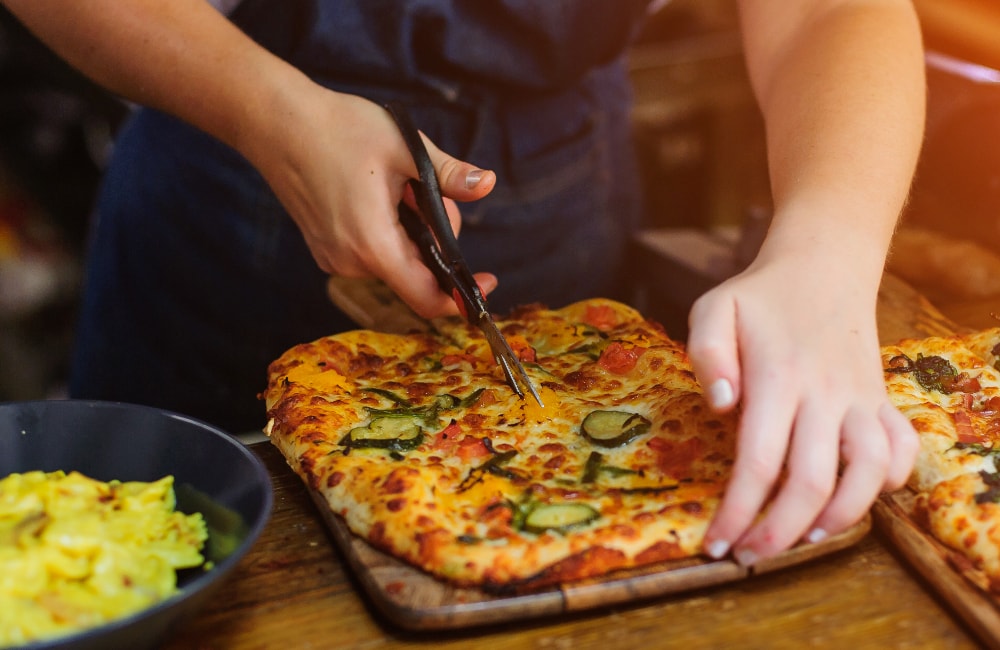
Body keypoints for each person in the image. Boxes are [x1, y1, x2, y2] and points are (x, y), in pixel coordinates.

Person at [2, 0, 924, 568]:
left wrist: (827, 256)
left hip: (557, 172)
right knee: (125, 560)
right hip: (217, 158)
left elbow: (829, 10)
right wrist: (271, 113)